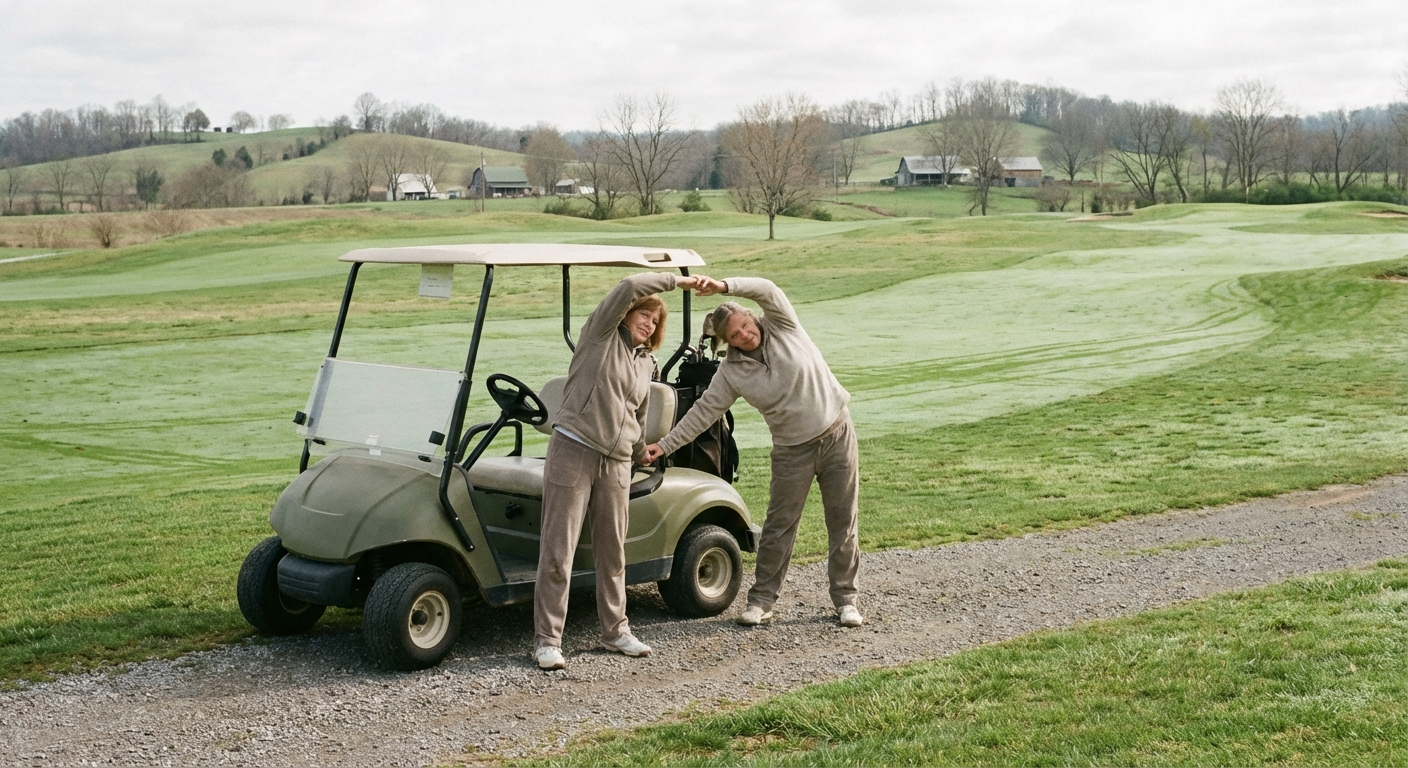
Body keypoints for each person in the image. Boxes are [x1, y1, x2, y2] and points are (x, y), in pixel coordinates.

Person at [643, 276, 863, 628]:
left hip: (837, 434)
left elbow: (769, 289)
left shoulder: (781, 325)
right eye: (734, 335)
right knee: (778, 527)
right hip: (792, 450)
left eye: (745, 326)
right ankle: (761, 600)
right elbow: (703, 412)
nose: (745, 335)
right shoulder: (731, 372)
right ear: (725, 343)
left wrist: (724, 286)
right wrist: (664, 445)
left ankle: (846, 600)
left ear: (752, 318)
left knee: (842, 521)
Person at [533, 271, 701, 670]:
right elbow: (628, 285)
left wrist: (641, 451)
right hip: (574, 449)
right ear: (625, 314)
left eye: (655, 320)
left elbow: (637, 414)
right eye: (644, 314)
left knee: (613, 551)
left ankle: (615, 631)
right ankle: (547, 640)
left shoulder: (646, 363)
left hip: (617, 463)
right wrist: (676, 282)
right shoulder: (599, 336)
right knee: (559, 550)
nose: (649, 323)